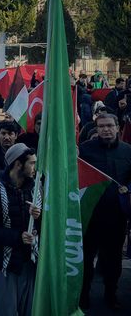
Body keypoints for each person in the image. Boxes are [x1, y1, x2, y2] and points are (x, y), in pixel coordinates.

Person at [0, 144, 40, 316]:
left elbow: (43, 227)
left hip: (30, 262)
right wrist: (18, 237)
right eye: (31, 163)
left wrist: (39, 216)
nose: (34, 168)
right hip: (5, 264)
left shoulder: (36, 190)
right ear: (18, 164)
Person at [79, 113, 131, 310]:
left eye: (109, 125)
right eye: (101, 126)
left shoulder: (128, 151)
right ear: (97, 128)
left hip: (116, 217)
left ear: (117, 127)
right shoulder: (84, 150)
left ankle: (111, 295)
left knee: (113, 261)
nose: (106, 129)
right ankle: (83, 296)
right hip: (90, 215)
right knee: (86, 259)